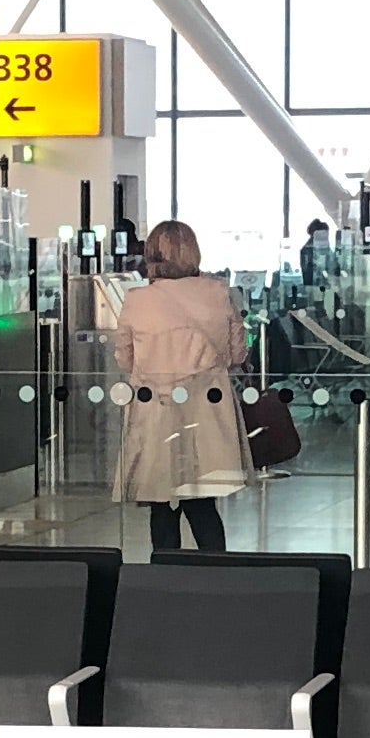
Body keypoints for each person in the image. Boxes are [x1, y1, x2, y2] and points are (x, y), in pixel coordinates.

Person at [111, 218, 249, 553]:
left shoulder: (137, 300)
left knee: (161, 505)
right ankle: (217, 575)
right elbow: (237, 354)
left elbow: (125, 360)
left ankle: (164, 580)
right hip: (207, 408)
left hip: (155, 412)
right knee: (203, 505)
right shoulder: (219, 294)